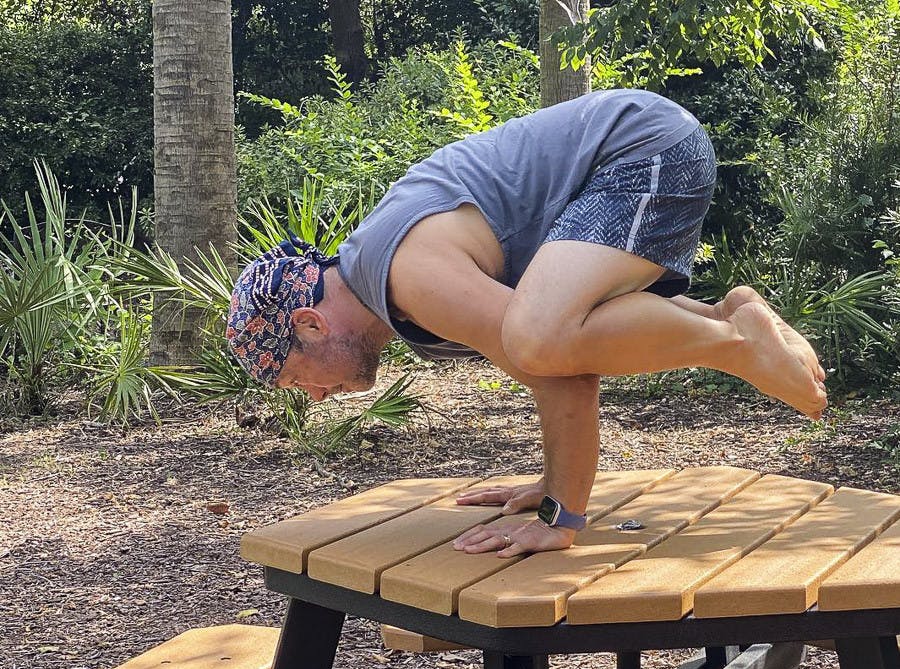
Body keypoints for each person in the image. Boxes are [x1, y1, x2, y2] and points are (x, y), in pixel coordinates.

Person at [226, 88, 828, 557]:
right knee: (545, 333)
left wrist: (558, 517)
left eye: (295, 376)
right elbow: (569, 351)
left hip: (641, 149)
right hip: (635, 154)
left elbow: (557, 369)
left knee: (538, 337)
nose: (314, 395)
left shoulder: (405, 274)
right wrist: (550, 483)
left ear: (310, 324)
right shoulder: (388, 286)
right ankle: (727, 315)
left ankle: (733, 342)